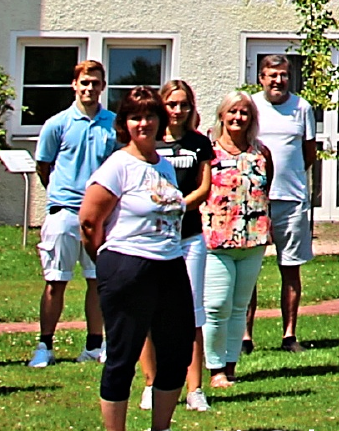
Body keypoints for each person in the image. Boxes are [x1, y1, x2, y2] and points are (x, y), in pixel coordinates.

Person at [80, 86, 197, 431]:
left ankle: (160, 427)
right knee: (123, 356)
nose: (143, 123)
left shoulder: (164, 167)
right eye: (135, 117)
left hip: (170, 264)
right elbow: (89, 220)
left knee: (176, 353)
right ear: (124, 123)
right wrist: (105, 259)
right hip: (128, 265)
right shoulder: (118, 165)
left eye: (149, 115)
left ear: (160, 120)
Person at [133, 80, 215, 412]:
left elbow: (205, 186)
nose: (177, 111)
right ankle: (151, 385)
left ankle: (194, 388)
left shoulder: (198, 144)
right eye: (171, 104)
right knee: (149, 312)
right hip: (153, 238)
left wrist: (180, 205)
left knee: (192, 314)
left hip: (189, 236)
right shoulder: (149, 143)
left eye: (183, 104)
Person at [31, 59, 116, 366]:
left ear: (103, 87)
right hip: (64, 212)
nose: (89, 88)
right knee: (56, 280)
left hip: (99, 217)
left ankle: (94, 345)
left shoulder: (112, 124)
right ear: (74, 85)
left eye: (95, 83)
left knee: (98, 281)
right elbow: (44, 166)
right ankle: (45, 345)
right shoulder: (57, 124)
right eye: (84, 82)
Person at [192, 92, 269, 390]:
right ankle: (214, 368)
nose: (238, 118)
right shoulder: (208, 151)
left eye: (244, 113)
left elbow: (265, 189)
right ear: (222, 115)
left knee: (239, 307)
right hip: (216, 239)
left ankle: (231, 365)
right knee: (217, 304)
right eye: (232, 112)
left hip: (253, 239)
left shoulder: (261, 152)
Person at [249, 55, 322, 353]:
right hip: (254, 200)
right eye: (271, 75)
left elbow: (308, 152)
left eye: (283, 75)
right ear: (261, 78)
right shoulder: (250, 106)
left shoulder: (302, 108)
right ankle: (245, 337)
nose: (277, 81)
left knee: (290, 267)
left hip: (291, 199)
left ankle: (289, 336)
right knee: (249, 270)